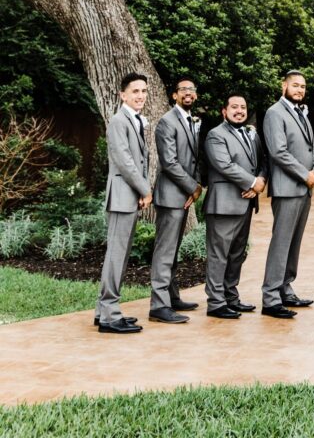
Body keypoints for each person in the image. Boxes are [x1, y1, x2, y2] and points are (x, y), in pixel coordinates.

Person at [95, 73, 152, 334]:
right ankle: (109, 315)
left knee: (119, 256)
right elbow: (125, 161)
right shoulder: (119, 121)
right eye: (135, 91)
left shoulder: (134, 120)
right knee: (116, 257)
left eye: (143, 91)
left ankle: (102, 312)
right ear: (123, 95)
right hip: (121, 197)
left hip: (129, 196)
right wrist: (144, 189)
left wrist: (140, 192)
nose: (140, 96)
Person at [261, 70, 314, 318]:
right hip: (287, 188)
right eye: (295, 85)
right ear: (283, 86)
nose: (299, 90)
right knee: (281, 241)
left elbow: (312, 147)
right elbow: (278, 152)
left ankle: (286, 287)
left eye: (303, 86)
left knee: (294, 242)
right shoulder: (275, 113)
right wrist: (304, 174)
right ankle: (271, 297)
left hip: (305, 188)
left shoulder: (301, 113)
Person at [204, 94, 267, 319]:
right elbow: (224, 165)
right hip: (223, 204)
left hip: (246, 202)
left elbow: (263, 163)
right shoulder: (215, 135)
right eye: (234, 107)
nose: (239, 111)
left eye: (243, 107)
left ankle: (231, 296)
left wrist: (259, 182)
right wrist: (252, 182)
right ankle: (215, 302)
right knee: (219, 254)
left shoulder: (253, 134)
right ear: (224, 110)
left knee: (237, 253)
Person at [148, 76, 203, 323]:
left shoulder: (191, 121)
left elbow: (194, 158)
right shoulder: (167, 122)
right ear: (174, 95)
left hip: (183, 196)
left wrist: (196, 185)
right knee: (164, 251)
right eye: (183, 90)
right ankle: (159, 306)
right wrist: (193, 187)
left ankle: (171, 296)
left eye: (192, 90)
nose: (188, 93)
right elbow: (169, 162)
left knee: (174, 250)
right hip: (171, 196)